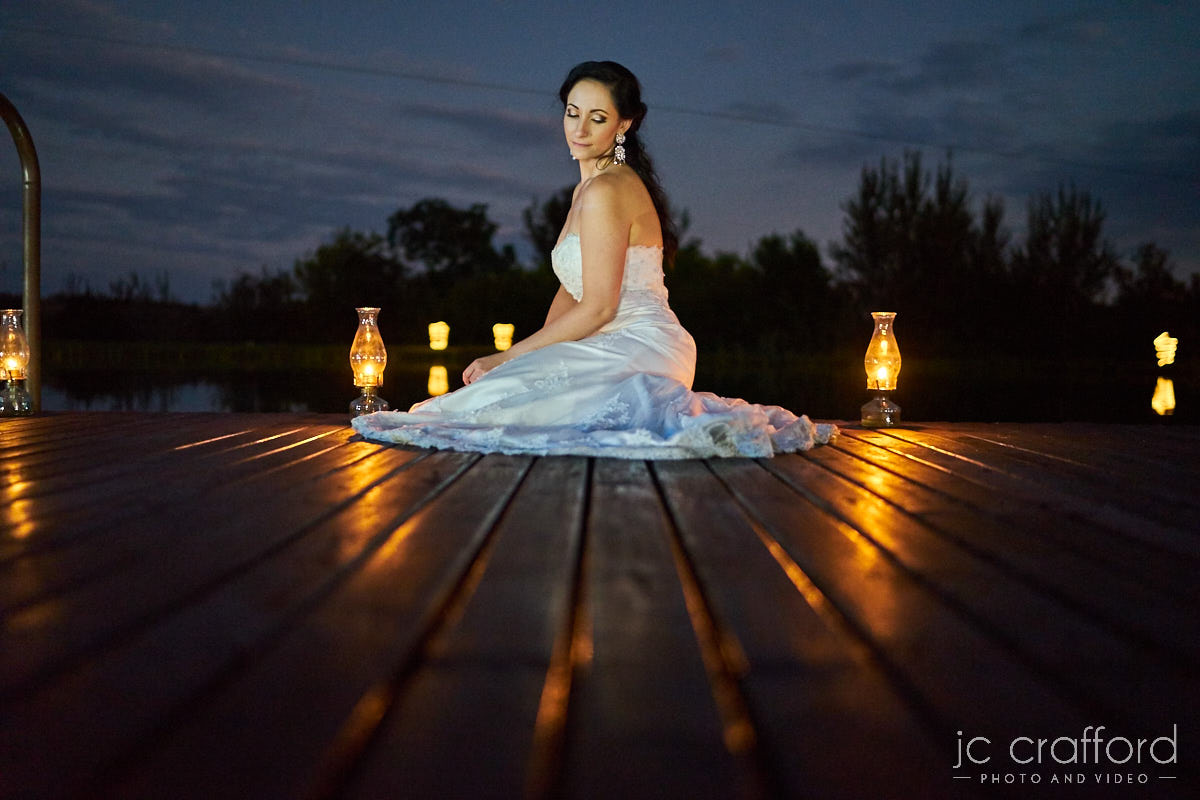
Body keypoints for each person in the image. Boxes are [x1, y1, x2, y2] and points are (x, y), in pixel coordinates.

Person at [352, 61, 836, 458]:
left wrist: (506, 356)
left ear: (624, 124)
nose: (579, 129)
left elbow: (601, 306)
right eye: (572, 112)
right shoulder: (588, 188)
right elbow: (572, 288)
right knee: (491, 397)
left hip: (641, 341)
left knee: (496, 406)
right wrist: (528, 355)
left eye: (598, 118)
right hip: (604, 337)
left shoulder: (609, 189)